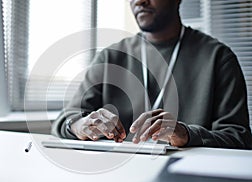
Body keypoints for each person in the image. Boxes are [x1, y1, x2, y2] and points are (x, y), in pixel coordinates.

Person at [52, 0, 252, 149]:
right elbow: (65, 119)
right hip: (116, 178)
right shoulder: (111, 57)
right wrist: (79, 125)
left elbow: (239, 137)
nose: (139, 1)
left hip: (189, 180)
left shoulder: (217, 57)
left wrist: (188, 135)